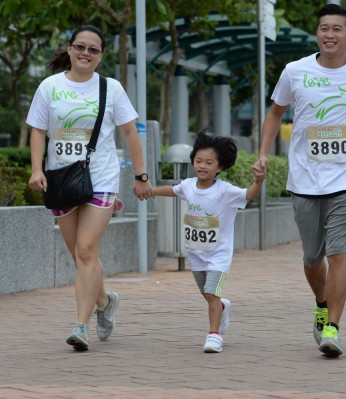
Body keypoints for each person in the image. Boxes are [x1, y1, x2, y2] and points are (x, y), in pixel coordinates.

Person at [258, 4, 346, 358]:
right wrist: (263, 153)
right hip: (305, 179)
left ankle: (333, 326)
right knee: (312, 257)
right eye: (323, 28)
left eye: (336, 29)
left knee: (337, 252)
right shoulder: (294, 71)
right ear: (317, 33)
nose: (329, 34)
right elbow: (275, 113)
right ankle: (320, 302)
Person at [27, 25, 152, 351]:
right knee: (81, 255)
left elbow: (130, 133)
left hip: (102, 179)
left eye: (93, 50)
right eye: (80, 47)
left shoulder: (110, 89)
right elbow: (38, 131)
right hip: (60, 179)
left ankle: (80, 326)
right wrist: (37, 169)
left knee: (85, 250)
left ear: (101, 56)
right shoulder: (49, 87)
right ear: (69, 49)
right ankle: (106, 301)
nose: (85, 53)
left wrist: (140, 176)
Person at [147, 132, 265, 353]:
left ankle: (214, 335)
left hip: (218, 255)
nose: (202, 166)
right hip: (196, 254)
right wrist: (150, 191)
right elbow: (172, 190)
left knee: (211, 292)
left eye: (209, 163)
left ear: (219, 167)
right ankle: (221, 307)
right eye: (198, 161)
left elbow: (248, 195)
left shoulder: (225, 191)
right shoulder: (188, 185)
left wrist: (257, 182)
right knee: (208, 295)